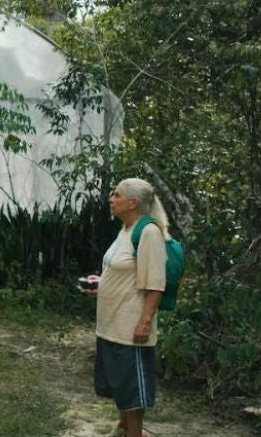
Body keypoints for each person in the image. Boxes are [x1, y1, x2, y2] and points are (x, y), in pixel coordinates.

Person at [84, 178, 168, 437]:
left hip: (131, 326)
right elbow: (124, 271)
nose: (111, 199)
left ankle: (135, 434)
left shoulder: (149, 233)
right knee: (119, 383)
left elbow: (156, 284)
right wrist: (101, 284)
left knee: (133, 389)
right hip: (111, 324)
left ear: (133, 202)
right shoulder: (125, 230)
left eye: (117, 195)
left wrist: (145, 321)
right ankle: (123, 428)